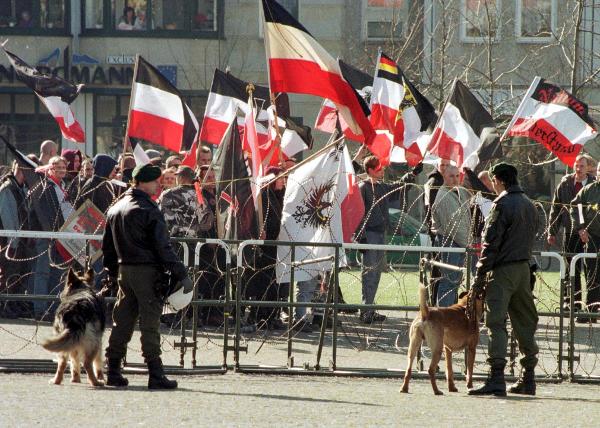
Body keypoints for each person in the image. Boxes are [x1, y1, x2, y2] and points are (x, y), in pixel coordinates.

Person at [102, 164, 192, 389]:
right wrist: (181, 273)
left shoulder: (115, 208)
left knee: (122, 320)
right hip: (147, 271)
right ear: (143, 182)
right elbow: (163, 247)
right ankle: (155, 372)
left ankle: (112, 369)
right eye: (155, 181)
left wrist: (113, 273)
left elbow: (108, 248)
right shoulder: (149, 209)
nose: (158, 185)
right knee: (150, 322)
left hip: (124, 269)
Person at [469, 162, 539, 397]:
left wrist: (480, 272)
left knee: (495, 322)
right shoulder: (529, 205)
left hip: (503, 270)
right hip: (523, 268)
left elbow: (491, 242)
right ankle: (528, 377)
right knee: (524, 322)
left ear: (498, 180)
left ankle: (496, 377)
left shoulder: (502, 204)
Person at [356, 156, 421, 324]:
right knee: (369, 274)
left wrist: (412, 174)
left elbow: (398, 187)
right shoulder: (363, 187)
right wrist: (361, 237)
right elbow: (359, 214)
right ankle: (365, 311)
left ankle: (369, 309)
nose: (382, 170)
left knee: (376, 274)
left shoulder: (382, 187)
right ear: (370, 170)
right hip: (369, 235)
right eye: (379, 169)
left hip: (380, 234)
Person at [548, 154, 595, 315]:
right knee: (571, 269)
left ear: (588, 167)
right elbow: (556, 208)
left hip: (590, 234)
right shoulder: (565, 183)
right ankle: (572, 304)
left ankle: (591, 306)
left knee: (591, 268)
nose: (578, 168)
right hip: (570, 231)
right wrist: (552, 231)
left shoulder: (594, 184)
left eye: (582, 166)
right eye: (576, 165)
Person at [431, 164, 472, 306]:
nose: (455, 179)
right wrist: (468, 244)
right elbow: (453, 227)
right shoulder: (444, 196)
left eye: (457, 176)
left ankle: (448, 314)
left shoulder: (458, 191)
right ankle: (444, 316)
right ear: (444, 177)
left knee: (454, 282)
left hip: (458, 242)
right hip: (451, 242)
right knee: (449, 282)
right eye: (451, 176)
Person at [569, 161, 600, 323]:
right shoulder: (589, 190)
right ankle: (591, 310)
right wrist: (580, 228)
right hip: (593, 238)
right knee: (592, 274)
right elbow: (575, 207)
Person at [0, 161, 31, 318]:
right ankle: (5, 304)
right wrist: (14, 241)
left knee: (18, 273)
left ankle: (14, 302)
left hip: (19, 241)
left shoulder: (20, 188)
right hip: (9, 242)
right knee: (9, 273)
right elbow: (8, 217)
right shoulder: (7, 189)